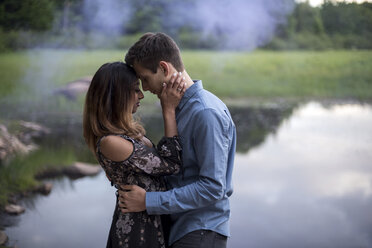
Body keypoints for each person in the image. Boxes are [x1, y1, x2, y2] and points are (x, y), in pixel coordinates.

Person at [118, 32, 237, 248]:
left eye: (145, 78)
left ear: (164, 68)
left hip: (200, 231)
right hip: (182, 229)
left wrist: (148, 201)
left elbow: (213, 187)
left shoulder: (205, 113)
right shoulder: (177, 108)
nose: (144, 88)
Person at [83, 61, 186, 248]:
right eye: (135, 89)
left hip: (152, 223)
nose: (141, 95)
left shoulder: (127, 135)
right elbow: (172, 165)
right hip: (138, 232)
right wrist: (168, 109)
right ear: (116, 96)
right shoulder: (111, 142)